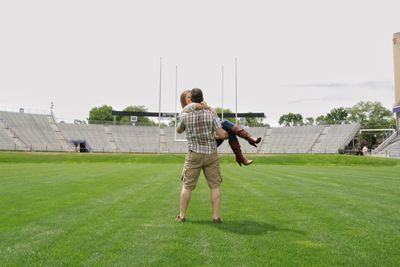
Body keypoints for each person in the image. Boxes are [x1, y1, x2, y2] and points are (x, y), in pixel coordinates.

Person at [176, 88, 227, 224]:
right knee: (215, 187)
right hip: (211, 153)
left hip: (194, 154)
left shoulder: (185, 115)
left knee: (187, 186)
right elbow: (221, 134)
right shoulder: (210, 113)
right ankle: (216, 217)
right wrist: (226, 135)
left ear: (191, 100)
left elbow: (179, 130)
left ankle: (181, 216)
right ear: (202, 98)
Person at [179, 90, 262, 166]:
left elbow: (216, 122)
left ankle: (243, 150)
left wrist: (208, 108)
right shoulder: (184, 114)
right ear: (184, 100)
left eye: (192, 97)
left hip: (212, 140)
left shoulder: (206, 108)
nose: (191, 99)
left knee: (227, 128)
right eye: (188, 97)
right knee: (226, 126)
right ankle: (243, 150)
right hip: (200, 144)